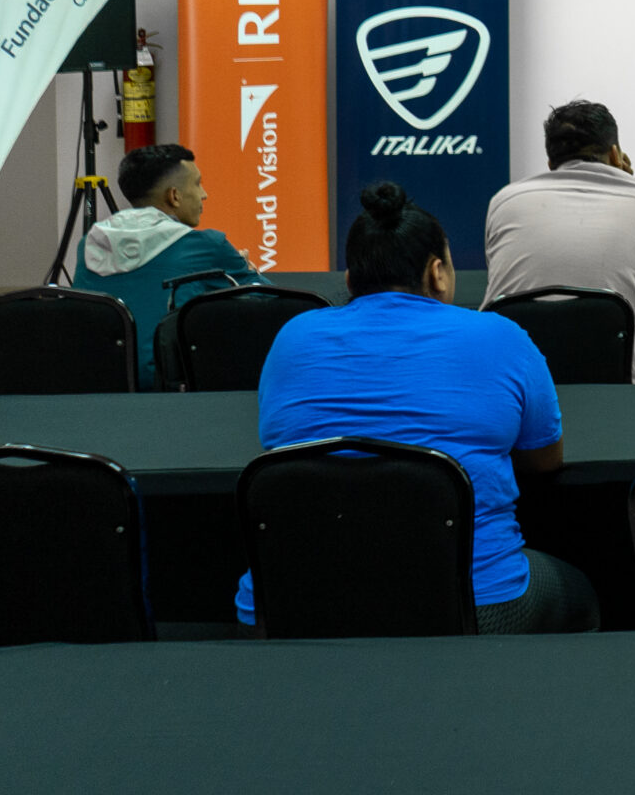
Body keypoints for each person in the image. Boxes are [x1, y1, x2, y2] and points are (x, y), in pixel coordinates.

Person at [241, 182, 597, 634]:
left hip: (289, 609)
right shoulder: (501, 336)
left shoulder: (292, 338)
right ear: (437, 272)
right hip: (471, 608)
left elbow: (283, 445)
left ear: (350, 281)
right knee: (582, 594)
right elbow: (544, 459)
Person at [483, 99, 635, 383]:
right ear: (615, 154)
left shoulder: (504, 202)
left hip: (512, 384)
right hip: (629, 388)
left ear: (551, 164)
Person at [74, 141, 261, 388]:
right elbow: (268, 301)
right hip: (173, 395)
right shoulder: (207, 246)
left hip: (94, 388)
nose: (204, 194)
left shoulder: (89, 244)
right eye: (197, 184)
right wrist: (248, 269)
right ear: (174, 196)